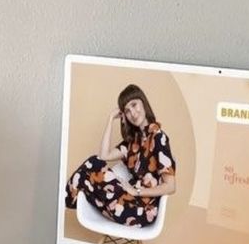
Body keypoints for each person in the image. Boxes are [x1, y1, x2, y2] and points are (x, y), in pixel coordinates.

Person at [65, 84, 175, 227]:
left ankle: (63, 203)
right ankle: (65, 203)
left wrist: (136, 191)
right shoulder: (132, 143)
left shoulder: (159, 138)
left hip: (141, 210)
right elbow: (103, 156)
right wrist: (111, 119)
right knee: (94, 163)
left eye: (134, 105)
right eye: (127, 111)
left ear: (143, 102)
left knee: (91, 168)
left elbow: (170, 186)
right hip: (125, 203)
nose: (133, 113)